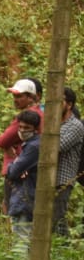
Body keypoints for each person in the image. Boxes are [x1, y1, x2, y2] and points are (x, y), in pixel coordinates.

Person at [0, 78, 43, 214]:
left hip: (19, 168)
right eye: (14, 96)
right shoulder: (40, 113)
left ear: (31, 97)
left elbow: (3, 141)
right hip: (30, 169)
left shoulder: (27, 116)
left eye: (19, 96)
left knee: (15, 210)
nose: (15, 99)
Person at [5, 108, 43, 240]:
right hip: (24, 197)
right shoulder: (30, 145)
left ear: (35, 129)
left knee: (22, 240)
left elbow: (13, 172)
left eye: (26, 127)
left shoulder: (33, 147)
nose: (22, 130)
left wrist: (11, 163)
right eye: (20, 126)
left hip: (25, 198)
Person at [51, 87, 84, 238]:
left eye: (60, 101)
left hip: (63, 180)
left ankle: (64, 249)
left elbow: (58, 147)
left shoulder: (75, 126)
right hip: (48, 179)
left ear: (69, 104)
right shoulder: (53, 123)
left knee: (58, 218)